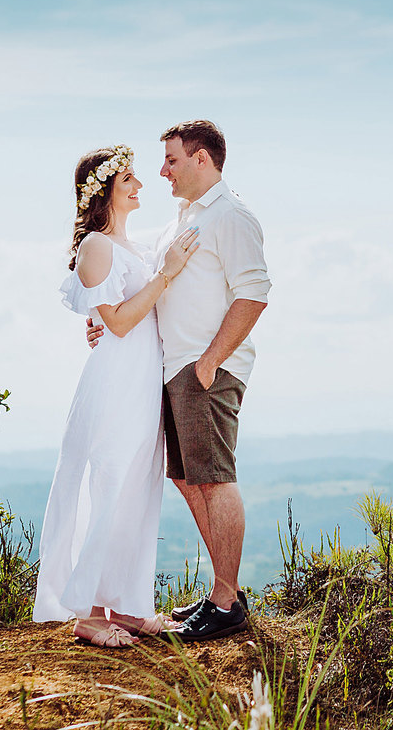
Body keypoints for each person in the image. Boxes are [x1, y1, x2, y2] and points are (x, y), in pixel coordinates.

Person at [87, 120, 270, 642]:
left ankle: (226, 601)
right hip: (172, 369)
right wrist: (103, 318)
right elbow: (141, 283)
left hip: (203, 367)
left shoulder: (232, 216)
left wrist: (212, 360)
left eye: (170, 160)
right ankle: (223, 593)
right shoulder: (180, 221)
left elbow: (254, 293)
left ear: (202, 160)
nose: (161, 171)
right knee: (188, 479)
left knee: (214, 476)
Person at [33, 144, 200, 648]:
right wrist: (168, 273)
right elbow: (121, 323)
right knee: (108, 486)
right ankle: (89, 614)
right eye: (128, 178)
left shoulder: (131, 246)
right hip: (116, 383)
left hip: (142, 381)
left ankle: (127, 607)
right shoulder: (97, 247)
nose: (139, 184)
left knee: (134, 491)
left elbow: (123, 314)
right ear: (103, 189)